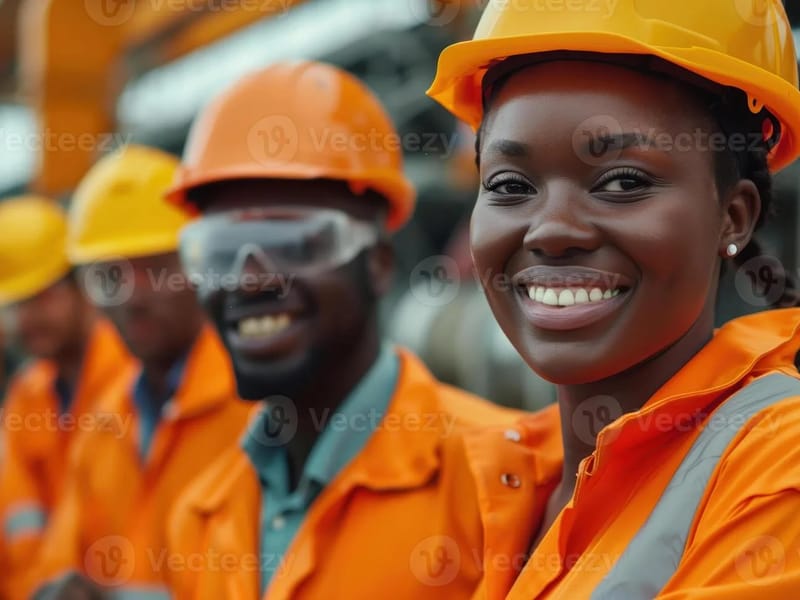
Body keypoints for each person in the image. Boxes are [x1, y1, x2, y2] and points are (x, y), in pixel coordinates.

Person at [426, 1, 800, 597]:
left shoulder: (778, 471)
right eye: (510, 186)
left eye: (623, 182)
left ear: (733, 216)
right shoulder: (486, 478)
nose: (550, 229)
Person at [162, 60, 525, 599]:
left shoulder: (502, 480)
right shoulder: (199, 518)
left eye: (292, 242)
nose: (250, 278)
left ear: (378, 262)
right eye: (217, 251)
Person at [29, 145, 251, 598]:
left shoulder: (256, 409)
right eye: (111, 276)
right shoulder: (103, 424)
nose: (134, 296)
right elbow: (60, 564)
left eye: (156, 268)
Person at [0, 196, 133, 598]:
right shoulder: (27, 396)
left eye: (42, 296)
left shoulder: (131, 378)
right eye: (16, 304)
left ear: (83, 288)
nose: (28, 318)